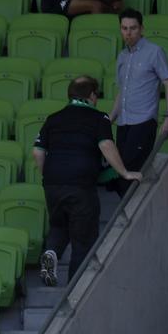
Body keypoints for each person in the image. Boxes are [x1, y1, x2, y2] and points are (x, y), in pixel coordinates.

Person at [33, 76, 141, 286]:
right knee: (83, 239)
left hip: (53, 183)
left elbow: (37, 152)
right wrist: (125, 172)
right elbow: (106, 145)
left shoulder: (53, 118)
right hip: (80, 185)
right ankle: (74, 287)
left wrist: (50, 174)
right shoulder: (98, 118)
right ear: (92, 96)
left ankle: (51, 253)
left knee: (58, 226)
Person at [110, 9, 168, 194]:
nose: (128, 33)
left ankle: (129, 217)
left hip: (144, 121)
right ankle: (127, 215)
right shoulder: (122, 56)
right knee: (121, 171)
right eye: (124, 28)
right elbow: (121, 91)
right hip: (124, 122)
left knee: (130, 170)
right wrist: (110, 118)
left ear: (141, 29)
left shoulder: (154, 52)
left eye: (133, 28)